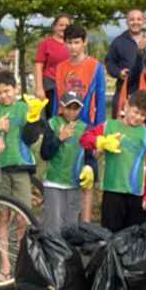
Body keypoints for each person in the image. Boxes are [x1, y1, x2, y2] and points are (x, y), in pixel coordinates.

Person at [0, 71, 49, 271]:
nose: (4, 95)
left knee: (23, 217)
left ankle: (20, 262)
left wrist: (33, 118)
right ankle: (4, 264)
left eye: (7, 91)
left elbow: (31, 138)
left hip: (21, 168)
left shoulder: (24, 107)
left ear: (16, 88)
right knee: (1, 215)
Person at [82, 88, 146, 232]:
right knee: (110, 235)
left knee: (134, 238)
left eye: (143, 115)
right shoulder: (109, 126)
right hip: (113, 190)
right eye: (135, 112)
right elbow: (84, 138)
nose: (137, 117)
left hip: (136, 193)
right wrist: (100, 142)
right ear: (126, 106)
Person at [55, 23, 108, 222]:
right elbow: (57, 101)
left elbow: (101, 100)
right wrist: (55, 125)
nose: (73, 47)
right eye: (69, 43)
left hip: (88, 129)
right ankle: (67, 224)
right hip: (66, 128)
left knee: (87, 180)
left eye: (76, 42)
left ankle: (85, 227)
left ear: (84, 43)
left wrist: (99, 134)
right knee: (67, 177)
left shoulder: (95, 67)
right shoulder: (61, 67)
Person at [37, 92, 91, 229]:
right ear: (62, 106)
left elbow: (90, 156)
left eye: (76, 108)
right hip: (54, 183)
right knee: (53, 227)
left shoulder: (85, 128)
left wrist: (90, 169)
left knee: (71, 228)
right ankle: (51, 250)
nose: (72, 112)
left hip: (74, 184)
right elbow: (45, 154)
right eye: (68, 107)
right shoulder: (52, 123)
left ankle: (68, 251)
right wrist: (59, 138)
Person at [105, 8, 146, 117]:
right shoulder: (119, 41)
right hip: (125, 89)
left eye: (139, 19)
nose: (135, 22)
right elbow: (109, 63)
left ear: (144, 21)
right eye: (132, 20)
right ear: (126, 22)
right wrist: (118, 72)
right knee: (120, 124)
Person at [32, 13, 73, 111]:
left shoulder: (72, 44)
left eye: (66, 26)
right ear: (54, 27)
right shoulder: (45, 43)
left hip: (68, 84)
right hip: (50, 84)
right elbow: (38, 65)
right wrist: (39, 88)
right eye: (61, 25)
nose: (63, 28)